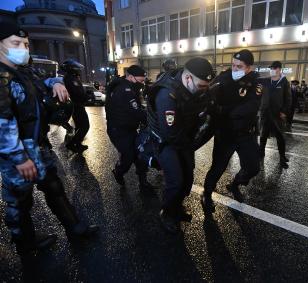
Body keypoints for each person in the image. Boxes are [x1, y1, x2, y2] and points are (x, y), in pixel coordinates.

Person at [0, 22, 98, 258]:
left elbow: (43, 81)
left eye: (25, 44)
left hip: (38, 145)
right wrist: (19, 158)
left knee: (54, 187)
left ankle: (76, 228)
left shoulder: (24, 71)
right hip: (16, 154)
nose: (23, 48)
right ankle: (25, 244)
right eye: (16, 44)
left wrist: (55, 82)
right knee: (19, 201)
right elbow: (2, 123)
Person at [147, 57, 213, 233]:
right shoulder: (167, 95)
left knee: (187, 179)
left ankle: (176, 207)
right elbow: (171, 134)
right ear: (188, 78)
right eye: (201, 87)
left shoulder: (197, 88)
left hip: (183, 137)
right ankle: (166, 212)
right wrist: (194, 143)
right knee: (176, 181)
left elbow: (203, 107)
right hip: (165, 140)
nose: (204, 91)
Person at [201, 49, 261, 214]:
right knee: (218, 167)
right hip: (225, 133)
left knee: (253, 167)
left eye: (239, 66)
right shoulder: (223, 78)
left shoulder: (256, 81)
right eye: (233, 65)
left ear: (249, 67)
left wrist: (226, 110)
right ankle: (206, 195)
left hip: (246, 134)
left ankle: (236, 183)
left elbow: (252, 106)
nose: (235, 69)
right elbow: (209, 99)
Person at [105, 65, 155, 195]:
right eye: (140, 81)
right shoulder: (124, 90)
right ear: (130, 77)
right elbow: (136, 112)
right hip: (119, 131)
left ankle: (143, 183)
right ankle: (118, 171)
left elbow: (138, 110)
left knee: (140, 155)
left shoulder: (131, 87)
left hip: (130, 129)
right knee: (128, 157)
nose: (142, 83)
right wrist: (152, 119)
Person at [258, 61, 292, 169]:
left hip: (278, 114)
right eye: (271, 68)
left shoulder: (284, 82)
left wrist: (284, 111)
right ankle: (261, 154)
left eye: (273, 68)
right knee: (263, 136)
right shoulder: (265, 81)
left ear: (279, 69)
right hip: (265, 113)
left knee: (280, 137)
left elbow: (288, 98)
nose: (271, 70)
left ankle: (282, 158)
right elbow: (257, 90)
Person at [61, 59, 90, 153]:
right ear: (72, 69)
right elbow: (78, 93)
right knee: (85, 126)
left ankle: (77, 144)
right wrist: (87, 96)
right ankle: (73, 143)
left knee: (79, 126)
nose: (78, 70)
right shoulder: (71, 79)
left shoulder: (71, 77)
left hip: (76, 105)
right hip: (77, 106)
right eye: (77, 68)